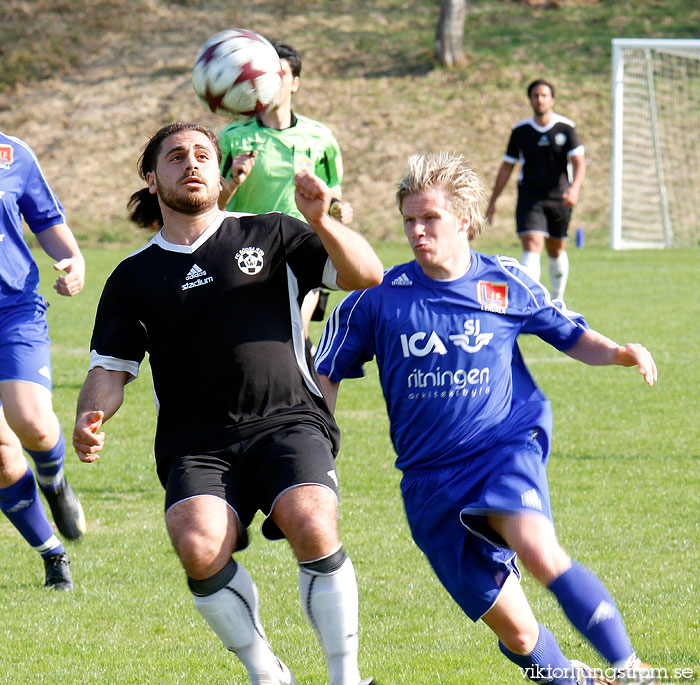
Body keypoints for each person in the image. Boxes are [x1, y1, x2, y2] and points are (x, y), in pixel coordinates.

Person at [315, 151, 660, 685]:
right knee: (519, 636)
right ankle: (581, 680)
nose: (416, 230)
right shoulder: (377, 297)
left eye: (429, 218)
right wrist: (318, 450)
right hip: (430, 483)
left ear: (464, 220)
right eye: (409, 219)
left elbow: (569, 333)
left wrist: (618, 351)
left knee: (538, 549)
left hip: (503, 448)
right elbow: (327, 373)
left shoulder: (504, 282)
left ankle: (632, 669)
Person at [72, 122, 382, 685]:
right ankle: (266, 671)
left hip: (288, 419)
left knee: (310, 519)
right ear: (151, 177)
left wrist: (321, 220)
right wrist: (89, 416)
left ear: (219, 172)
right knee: (196, 543)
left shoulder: (273, 233)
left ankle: (346, 675)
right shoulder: (132, 277)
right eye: (174, 157)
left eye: (202, 155)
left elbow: (368, 274)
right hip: (198, 443)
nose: (191, 164)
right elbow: (109, 369)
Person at [218, 41, 353, 342]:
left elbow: (331, 195)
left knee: (294, 332)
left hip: (301, 245)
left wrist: (338, 210)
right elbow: (211, 206)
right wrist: (233, 183)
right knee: (250, 338)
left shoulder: (320, 138)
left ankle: (307, 385)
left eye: (280, 74)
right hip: (246, 248)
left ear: (295, 83)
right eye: (265, 74)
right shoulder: (231, 138)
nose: (272, 82)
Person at [0, 130, 86, 591]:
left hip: (12, 309)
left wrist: (73, 259)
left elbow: (46, 220)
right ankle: (52, 554)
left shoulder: (11, 154)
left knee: (31, 422)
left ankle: (53, 481)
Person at [486, 78, 585, 302]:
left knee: (556, 248)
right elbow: (507, 167)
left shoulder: (566, 128)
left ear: (552, 99)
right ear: (530, 99)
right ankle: (533, 302)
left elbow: (579, 162)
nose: (540, 100)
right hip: (530, 198)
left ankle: (558, 301)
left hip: (559, 198)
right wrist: (493, 201)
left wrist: (575, 189)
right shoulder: (521, 131)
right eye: (535, 96)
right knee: (532, 244)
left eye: (544, 95)